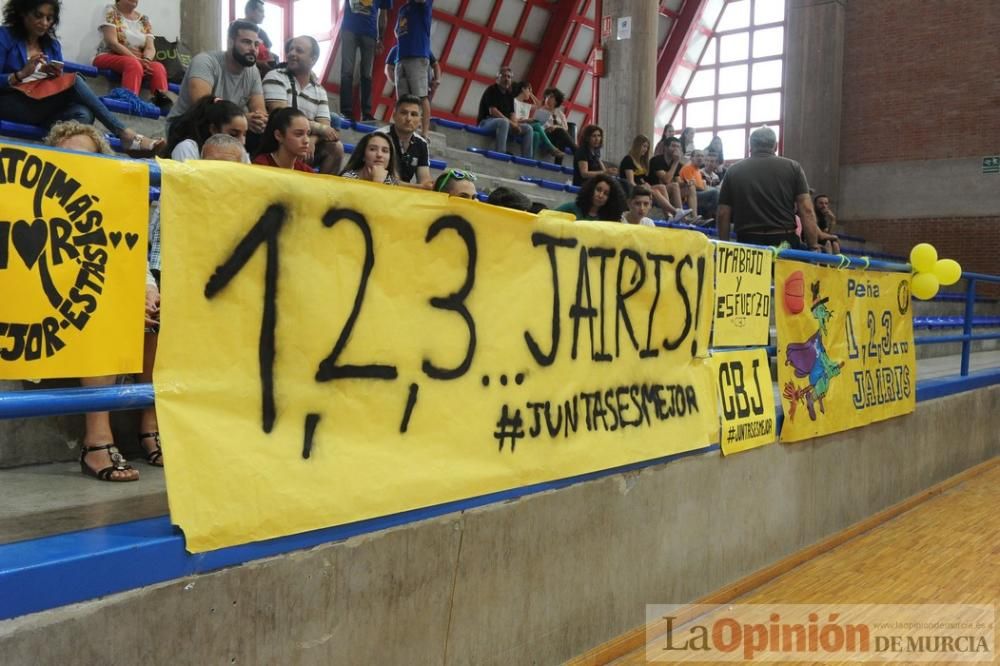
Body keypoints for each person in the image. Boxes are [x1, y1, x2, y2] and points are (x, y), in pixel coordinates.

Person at [43, 120, 160, 481]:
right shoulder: (33, 197)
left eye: (88, 157)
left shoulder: (116, 201)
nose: (80, 165)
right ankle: (97, 441)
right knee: (98, 307)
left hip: (106, 293)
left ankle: (150, 422)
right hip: (48, 305)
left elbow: (131, 256)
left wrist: (146, 290)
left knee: (159, 310)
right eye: (69, 157)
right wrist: (118, 296)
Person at [1, 0, 162, 151]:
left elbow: (59, 84)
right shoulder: (4, 37)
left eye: (49, 18)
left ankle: (64, 159)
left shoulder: (52, 45)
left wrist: (52, 75)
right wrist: (20, 74)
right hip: (11, 102)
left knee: (83, 113)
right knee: (74, 80)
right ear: (23, 13)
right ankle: (125, 133)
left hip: (41, 106)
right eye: (38, 16)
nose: (44, 22)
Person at [717, 126, 837, 249]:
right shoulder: (793, 167)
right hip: (784, 241)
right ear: (775, 146)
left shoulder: (733, 171)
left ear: (750, 147)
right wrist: (813, 244)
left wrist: (724, 246)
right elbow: (806, 209)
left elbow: (722, 213)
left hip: (747, 242)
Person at [166, 20, 267, 152]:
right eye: (246, 42)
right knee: (213, 126)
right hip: (189, 125)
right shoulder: (205, 61)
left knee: (262, 134)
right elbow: (203, 105)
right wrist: (241, 117)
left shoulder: (253, 71)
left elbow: (260, 110)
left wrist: (259, 120)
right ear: (231, 42)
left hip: (227, 129)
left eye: (256, 44)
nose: (253, 49)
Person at [263, 35, 344, 174]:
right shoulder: (275, 76)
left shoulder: (319, 91)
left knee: (336, 148)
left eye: (299, 50)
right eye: (291, 49)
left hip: (305, 147)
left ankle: (322, 193)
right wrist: (317, 130)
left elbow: (326, 127)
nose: (292, 53)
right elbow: (282, 117)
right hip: (279, 143)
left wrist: (311, 140)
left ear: (313, 59)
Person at [92, 0, 170, 112]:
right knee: (133, 64)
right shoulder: (111, 11)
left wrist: (146, 60)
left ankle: (162, 110)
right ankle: (129, 106)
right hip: (107, 55)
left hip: (138, 60)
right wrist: (136, 59)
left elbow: (150, 47)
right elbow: (112, 42)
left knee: (158, 68)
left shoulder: (144, 19)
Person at [340, 0, 390, 122]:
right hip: (349, 29)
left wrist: (380, 38)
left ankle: (367, 113)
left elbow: (383, 15)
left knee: (367, 74)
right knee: (347, 71)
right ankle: (346, 111)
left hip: (370, 34)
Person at [166, 96, 249, 162]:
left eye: (245, 135)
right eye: (233, 134)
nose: (242, 142)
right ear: (214, 129)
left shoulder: (242, 154)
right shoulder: (187, 148)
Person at [394, 0, 433, 137]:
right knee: (403, 99)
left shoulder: (424, 3)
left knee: (421, 95)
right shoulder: (403, 8)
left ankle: (424, 133)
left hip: (418, 54)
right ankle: (403, 131)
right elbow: (397, 30)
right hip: (401, 57)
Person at [477, 66, 533, 158]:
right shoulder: (491, 90)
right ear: (498, 78)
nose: (506, 79)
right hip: (486, 122)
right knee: (504, 122)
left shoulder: (509, 94)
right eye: (504, 76)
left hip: (505, 124)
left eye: (509, 77)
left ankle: (527, 160)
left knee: (528, 128)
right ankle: (500, 153)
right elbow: (493, 111)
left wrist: (515, 124)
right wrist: (512, 124)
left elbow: (512, 113)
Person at [378, 94, 431, 186]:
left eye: (414, 114)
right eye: (403, 113)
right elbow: (380, 178)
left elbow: (425, 180)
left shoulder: (421, 143)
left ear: (420, 121)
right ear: (394, 116)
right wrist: (419, 188)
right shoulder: (379, 137)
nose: (408, 119)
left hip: (403, 195)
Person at [619, 134, 677, 218]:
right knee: (655, 191)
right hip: (631, 189)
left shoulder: (641, 161)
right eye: (644, 146)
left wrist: (646, 185)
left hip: (641, 186)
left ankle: (669, 216)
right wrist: (643, 187)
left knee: (662, 187)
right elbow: (630, 182)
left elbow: (641, 179)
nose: (645, 149)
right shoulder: (628, 159)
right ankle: (674, 212)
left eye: (647, 147)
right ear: (637, 146)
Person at [251, 107, 314, 172]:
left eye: (308, 134)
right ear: (278, 135)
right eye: (298, 134)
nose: (306, 140)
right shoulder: (261, 166)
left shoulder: (306, 172)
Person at [649, 136, 696, 219]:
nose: (676, 149)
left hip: (669, 191)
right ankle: (682, 217)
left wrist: (687, 182)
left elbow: (678, 181)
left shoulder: (677, 163)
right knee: (674, 185)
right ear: (666, 148)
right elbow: (666, 180)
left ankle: (694, 217)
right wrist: (676, 162)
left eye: (678, 147)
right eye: (673, 146)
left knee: (690, 187)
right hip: (657, 191)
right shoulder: (656, 160)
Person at [555, 173, 626, 221]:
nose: (600, 195)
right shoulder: (571, 207)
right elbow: (547, 217)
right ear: (591, 189)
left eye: (606, 194)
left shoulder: (609, 220)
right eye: (598, 190)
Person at [532, 87, 575, 165]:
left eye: (551, 96)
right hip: (545, 135)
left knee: (560, 133)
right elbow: (535, 125)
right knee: (560, 132)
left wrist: (555, 127)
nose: (548, 98)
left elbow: (565, 128)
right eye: (547, 96)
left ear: (556, 100)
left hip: (557, 136)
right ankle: (576, 149)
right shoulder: (540, 111)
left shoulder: (560, 114)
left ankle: (558, 165)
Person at [679, 149, 720, 221]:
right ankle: (714, 218)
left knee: (718, 192)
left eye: (702, 156)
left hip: (698, 194)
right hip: (689, 196)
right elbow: (692, 185)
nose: (700, 158)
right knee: (714, 193)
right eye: (697, 156)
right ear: (691, 158)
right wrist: (704, 188)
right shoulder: (688, 168)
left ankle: (711, 218)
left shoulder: (697, 170)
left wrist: (704, 186)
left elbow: (699, 185)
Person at [242, 0, 277, 75]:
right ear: (249, 11)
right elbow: (233, 54)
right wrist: (259, 63)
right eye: (260, 11)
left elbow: (269, 54)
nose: (264, 15)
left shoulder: (262, 33)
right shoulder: (237, 28)